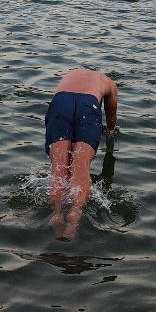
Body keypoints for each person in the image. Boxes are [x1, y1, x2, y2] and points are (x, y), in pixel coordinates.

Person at [44, 68, 118, 240]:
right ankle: (75, 213)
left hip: (61, 103)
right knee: (80, 169)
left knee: (59, 170)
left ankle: (56, 214)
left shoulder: (70, 74)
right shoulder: (108, 83)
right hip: (88, 106)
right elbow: (111, 116)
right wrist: (111, 133)